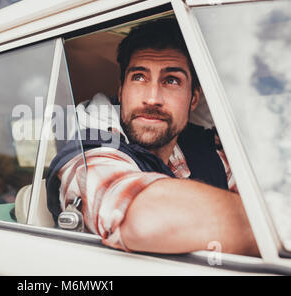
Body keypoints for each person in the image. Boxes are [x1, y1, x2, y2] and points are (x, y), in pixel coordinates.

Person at [46, 17, 259, 256]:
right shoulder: (87, 156)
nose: (152, 98)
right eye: (139, 77)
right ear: (121, 90)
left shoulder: (208, 152)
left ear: (194, 99)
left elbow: (258, 193)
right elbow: (146, 220)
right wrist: (274, 224)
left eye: (171, 80)